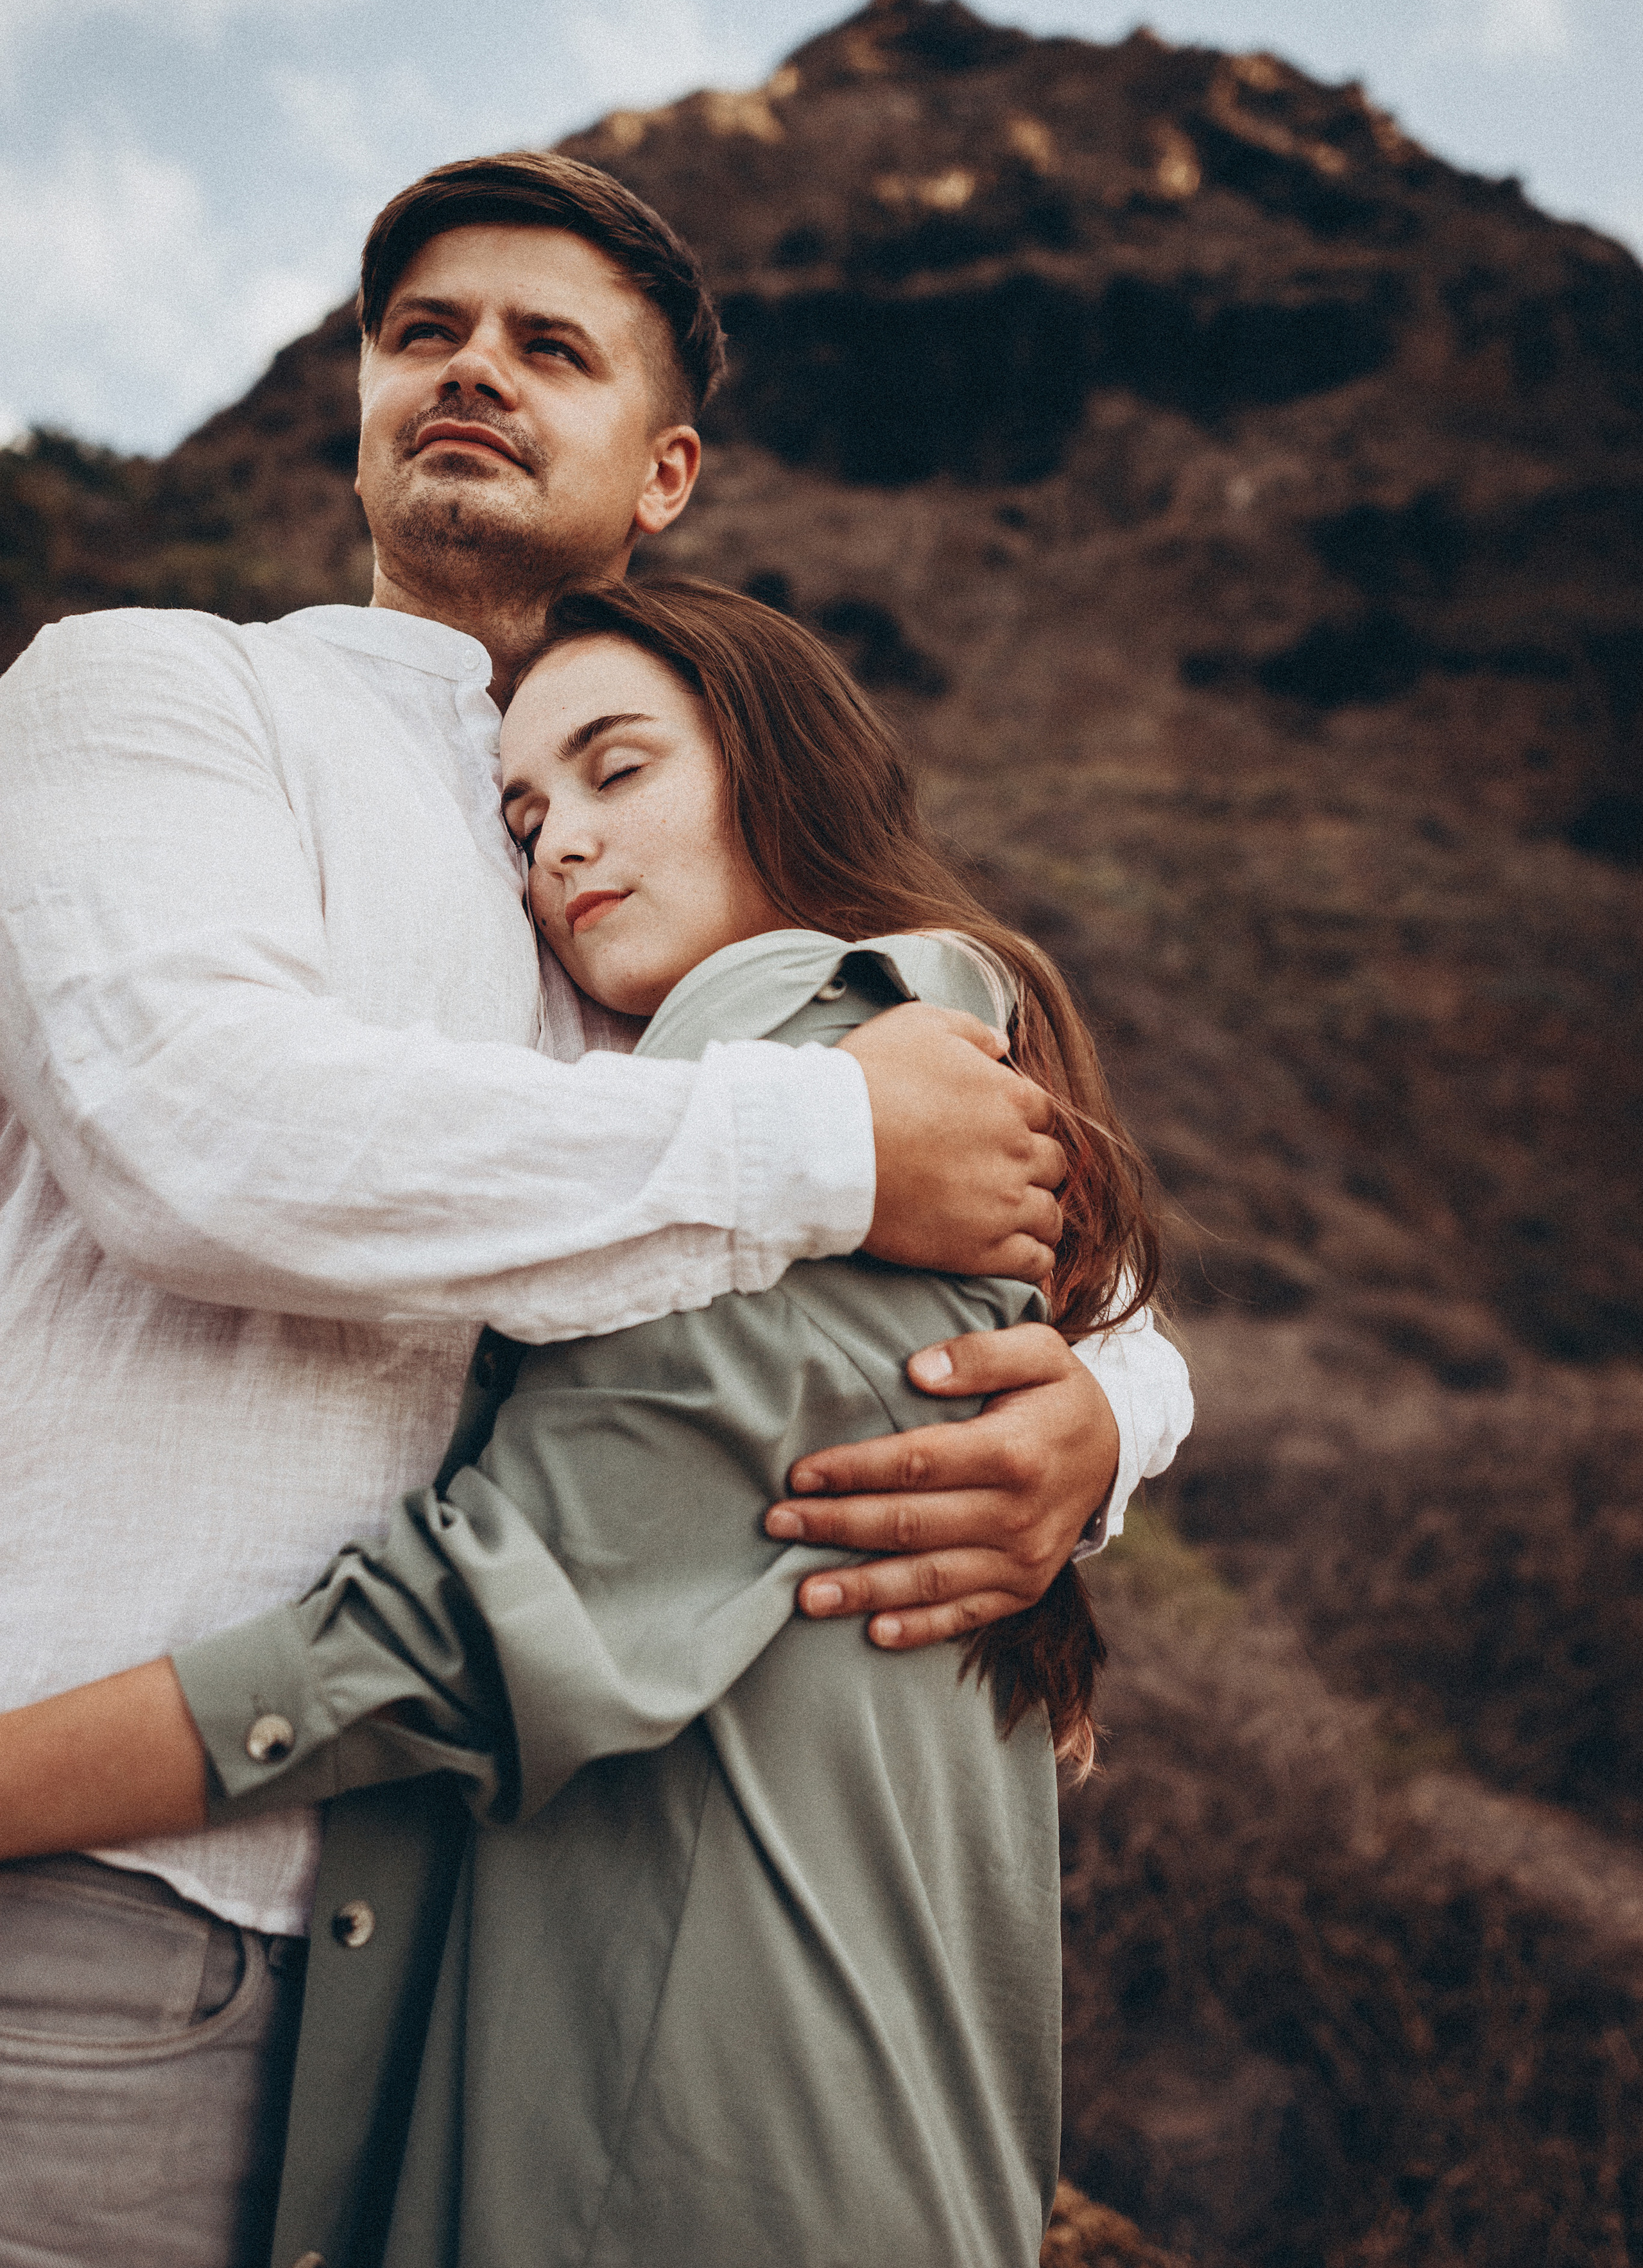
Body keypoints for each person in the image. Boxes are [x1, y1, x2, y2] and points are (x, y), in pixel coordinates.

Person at [0, 153, 1191, 2266]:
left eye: (550, 345)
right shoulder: (168, 695)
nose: (471, 371)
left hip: (451, 1984)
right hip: (87, 1913)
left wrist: (1108, 1421)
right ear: (360, 405)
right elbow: (194, 1131)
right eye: (422, 333)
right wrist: (821, 1150)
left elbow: (924, 1250)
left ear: (666, 469)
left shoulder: (666, 944)